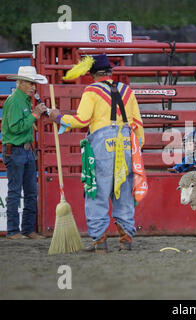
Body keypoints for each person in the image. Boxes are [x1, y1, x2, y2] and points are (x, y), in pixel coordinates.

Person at [48, 54, 145, 252]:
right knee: (124, 192)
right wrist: (137, 150)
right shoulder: (127, 91)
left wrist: (58, 116)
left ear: (92, 74)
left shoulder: (91, 92)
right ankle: (126, 237)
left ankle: (100, 239)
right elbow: (138, 125)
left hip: (103, 148)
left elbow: (82, 120)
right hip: (126, 145)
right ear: (110, 72)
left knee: (97, 191)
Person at [2, 66, 48, 240]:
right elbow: (15, 128)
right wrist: (35, 115)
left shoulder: (22, 100)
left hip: (23, 150)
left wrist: (34, 115)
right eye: (30, 82)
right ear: (20, 82)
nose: (33, 86)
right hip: (16, 150)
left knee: (29, 191)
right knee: (17, 191)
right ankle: (14, 231)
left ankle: (26, 229)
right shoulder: (15, 101)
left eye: (34, 83)